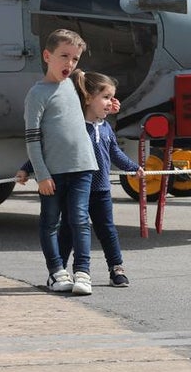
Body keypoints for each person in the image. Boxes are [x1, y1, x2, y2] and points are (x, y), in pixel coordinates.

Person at [19, 73, 143, 287]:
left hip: (101, 188)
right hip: (77, 186)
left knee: (107, 229)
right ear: (87, 98)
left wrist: (132, 168)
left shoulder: (105, 127)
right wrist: (26, 169)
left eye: (113, 97)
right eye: (106, 97)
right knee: (68, 227)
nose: (112, 103)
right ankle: (61, 271)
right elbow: (51, 149)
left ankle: (116, 268)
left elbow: (114, 152)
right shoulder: (75, 127)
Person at [24, 29, 99, 296]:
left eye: (75, 58)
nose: (69, 63)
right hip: (53, 174)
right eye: (64, 56)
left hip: (83, 167)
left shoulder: (73, 84)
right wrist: (40, 174)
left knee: (79, 219)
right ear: (47, 56)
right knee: (50, 222)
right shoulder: (37, 94)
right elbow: (33, 138)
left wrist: (109, 105)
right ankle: (56, 272)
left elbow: (97, 101)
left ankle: (83, 272)